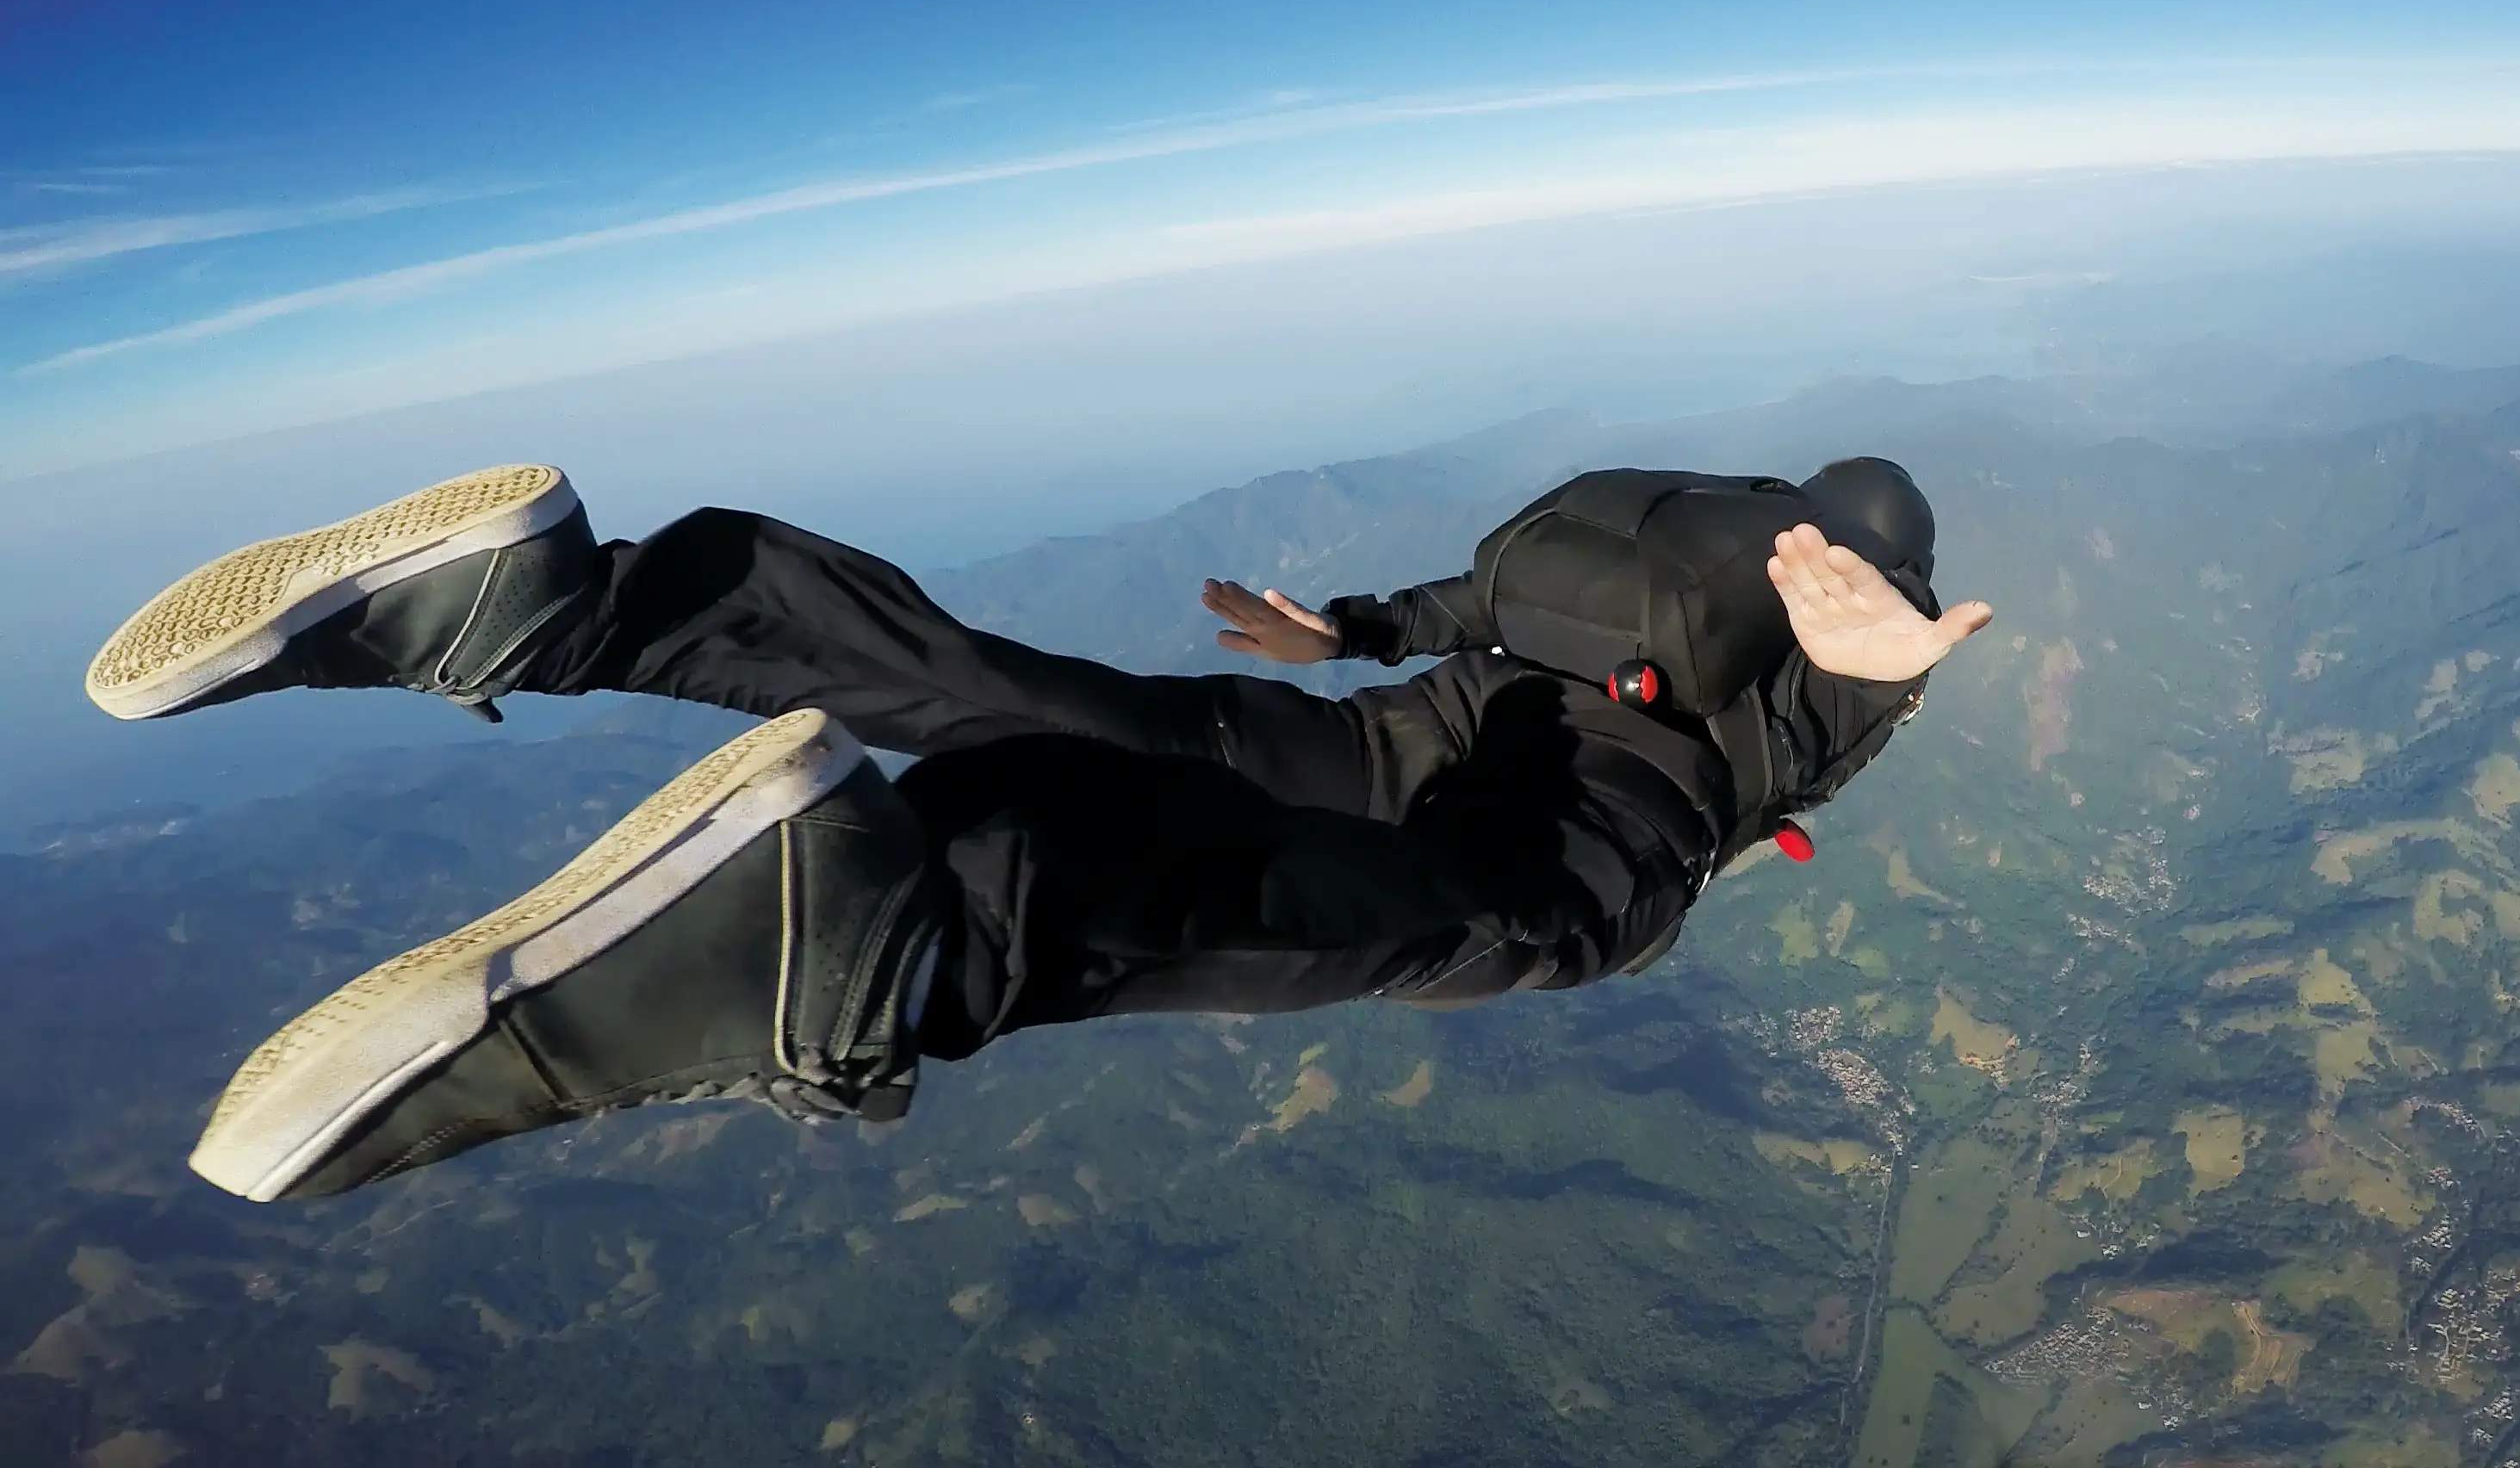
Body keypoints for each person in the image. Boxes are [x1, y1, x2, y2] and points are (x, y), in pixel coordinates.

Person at [84, 459, 1992, 1203]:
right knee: (1466, 925)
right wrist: (1885, 673)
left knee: (1073, 714)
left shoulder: (1662, 524)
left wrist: (1345, 634)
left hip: (1414, 714)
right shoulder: (1834, 639)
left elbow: (1476, 601)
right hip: (1592, 817)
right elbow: (1824, 712)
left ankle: (585, 606)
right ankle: (889, 940)